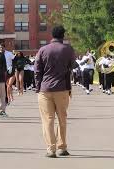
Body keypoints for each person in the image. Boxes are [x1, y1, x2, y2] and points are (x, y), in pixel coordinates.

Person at [34, 25, 78, 158]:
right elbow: (73, 66)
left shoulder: (43, 49)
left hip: (45, 89)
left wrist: (38, 87)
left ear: (51, 35)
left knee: (48, 119)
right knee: (62, 118)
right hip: (62, 88)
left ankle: (50, 148)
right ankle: (62, 147)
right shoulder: (68, 49)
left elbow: (37, 70)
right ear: (63, 36)